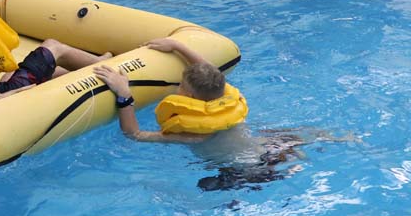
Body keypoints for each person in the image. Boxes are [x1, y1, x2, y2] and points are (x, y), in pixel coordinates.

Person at [94, 38, 353, 191]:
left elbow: (134, 134)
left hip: (247, 173)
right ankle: (339, 137)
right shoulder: (229, 100)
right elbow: (207, 69)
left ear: (192, 98)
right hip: (270, 149)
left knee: (205, 187)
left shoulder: (193, 134)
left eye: (181, 87)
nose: (176, 89)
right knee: (291, 135)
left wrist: (123, 94)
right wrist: (176, 44)